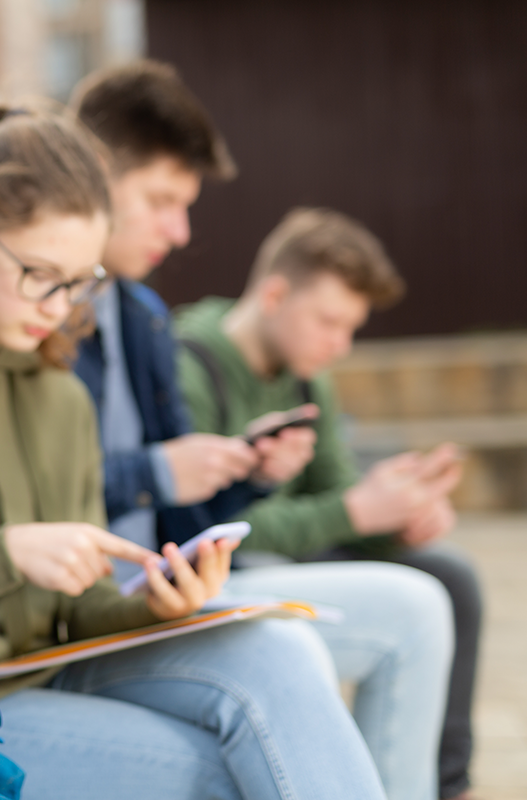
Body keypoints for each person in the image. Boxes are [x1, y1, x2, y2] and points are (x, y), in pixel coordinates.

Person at [0, 101, 388, 800]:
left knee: (281, 651)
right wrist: (9, 553)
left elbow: (82, 607)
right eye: (41, 274)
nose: (61, 306)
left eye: (81, 282)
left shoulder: (59, 392)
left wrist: (154, 602)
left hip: (57, 659)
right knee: (221, 771)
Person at [69, 61, 455, 800]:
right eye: (161, 201)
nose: (180, 232)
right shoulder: (57, 322)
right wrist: (159, 473)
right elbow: (51, 496)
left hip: (166, 587)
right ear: (89, 174)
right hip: (92, 612)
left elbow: (182, 517)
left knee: (433, 596)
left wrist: (245, 474)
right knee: (327, 641)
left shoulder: (143, 318)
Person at [173, 206, 483, 800]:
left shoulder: (309, 377)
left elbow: (339, 496)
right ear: (275, 293)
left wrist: (397, 513)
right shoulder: (189, 365)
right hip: (225, 569)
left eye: (350, 328)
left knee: (451, 575)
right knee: (275, 575)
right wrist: (354, 513)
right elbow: (203, 528)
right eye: (328, 322)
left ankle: (449, 786)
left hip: (298, 549)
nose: (340, 344)